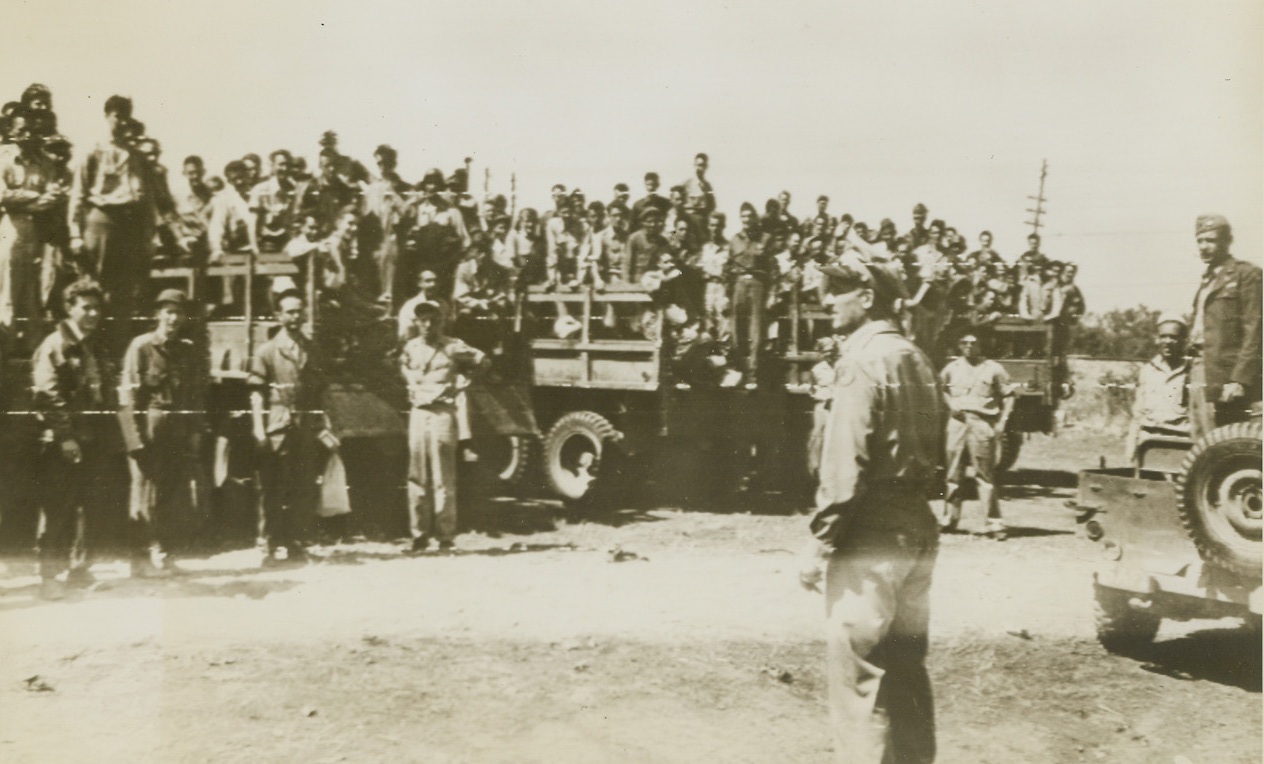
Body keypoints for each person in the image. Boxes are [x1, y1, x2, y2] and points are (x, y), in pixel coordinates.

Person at [798, 253, 941, 764]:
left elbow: (845, 465)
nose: (825, 298)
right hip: (917, 526)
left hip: (872, 532)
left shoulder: (859, 361)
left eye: (838, 288)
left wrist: (820, 541)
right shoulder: (916, 357)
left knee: (859, 681)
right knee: (905, 672)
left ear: (868, 296)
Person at [31, 278, 116, 600]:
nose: (93, 313)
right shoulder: (56, 345)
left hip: (90, 439)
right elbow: (47, 394)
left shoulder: (91, 345)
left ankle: (79, 570)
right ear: (70, 308)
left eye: (97, 307)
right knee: (57, 508)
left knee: (85, 506)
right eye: (86, 307)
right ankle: (49, 576)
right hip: (62, 442)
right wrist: (65, 437)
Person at [69, 95, 172, 352]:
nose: (122, 120)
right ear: (107, 116)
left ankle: (116, 352)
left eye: (126, 115)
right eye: (117, 115)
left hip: (130, 226)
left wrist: (150, 238)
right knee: (96, 287)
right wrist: (75, 234)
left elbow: (147, 201)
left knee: (124, 292)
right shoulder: (93, 151)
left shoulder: (137, 157)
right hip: (101, 221)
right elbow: (78, 195)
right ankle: (89, 349)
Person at [118, 289, 207, 577]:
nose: (173, 317)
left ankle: (165, 554)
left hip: (176, 430)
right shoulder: (141, 347)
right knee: (143, 495)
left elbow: (193, 396)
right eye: (167, 311)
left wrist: (194, 433)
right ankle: (139, 559)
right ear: (157, 314)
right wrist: (134, 441)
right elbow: (127, 398)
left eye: (178, 312)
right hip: (149, 429)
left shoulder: (186, 349)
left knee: (170, 495)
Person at [248, 290, 335, 566]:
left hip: (304, 427)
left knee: (302, 486)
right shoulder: (267, 351)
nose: (295, 317)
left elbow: (321, 392)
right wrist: (259, 429)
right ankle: (269, 545)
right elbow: (256, 393)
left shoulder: (312, 349)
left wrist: (326, 426)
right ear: (279, 316)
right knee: (272, 488)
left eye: (299, 311)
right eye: (289, 312)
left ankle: (296, 542)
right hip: (277, 425)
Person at [400, 299, 490, 552]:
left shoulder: (452, 347)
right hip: (419, 413)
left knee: (443, 477)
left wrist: (466, 381)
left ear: (440, 321)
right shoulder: (410, 347)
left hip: (442, 413)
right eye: (423, 320)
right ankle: (419, 535)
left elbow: (483, 361)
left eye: (432, 319)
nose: (427, 325)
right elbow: (404, 370)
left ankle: (445, 536)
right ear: (417, 322)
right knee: (416, 476)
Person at [1187, 213, 1262, 438]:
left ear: (1227, 241)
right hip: (1199, 370)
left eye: (1210, 240)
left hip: (1226, 377)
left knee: (1225, 444)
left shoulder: (1246, 275)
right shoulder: (1207, 280)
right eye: (1200, 241)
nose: (1204, 247)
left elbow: (1256, 330)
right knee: (1200, 444)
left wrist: (1239, 379)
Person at [940, 332, 1014, 539]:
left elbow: (1009, 396)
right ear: (959, 345)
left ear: (981, 344)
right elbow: (941, 388)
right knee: (953, 474)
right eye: (964, 342)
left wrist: (1001, 423)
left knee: (984, 475)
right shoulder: (952, 368)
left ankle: (994, 523)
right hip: (957, 423)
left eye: (974, 342)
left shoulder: (993, 368)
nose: (969, 346)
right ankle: (949, 519)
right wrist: (951, 405)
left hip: (981, 423)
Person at [1126, 315, 1190, 463]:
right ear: (1156, 339)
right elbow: (1138, 414)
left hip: (1180, 444)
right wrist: (1131, 448)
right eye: (1163, 337)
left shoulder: (1192, 372)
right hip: (1148, 443)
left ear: (1184, 341)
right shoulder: (1147, 371)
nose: (1167, 342)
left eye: (1173, 337)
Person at [725, 203, 773, 383]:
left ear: (755, 218)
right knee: (736, 329)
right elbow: (728, 268)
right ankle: (738, 371)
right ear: (740, 218)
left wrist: (772, 293)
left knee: (756, 330)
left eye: (749, 216)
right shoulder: (734, 240)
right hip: (738, 285)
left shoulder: (766, 239)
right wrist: (725, 292)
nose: (746, 220)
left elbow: (772, 269)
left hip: (757, 284)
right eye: (743, 216)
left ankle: (753, 374)